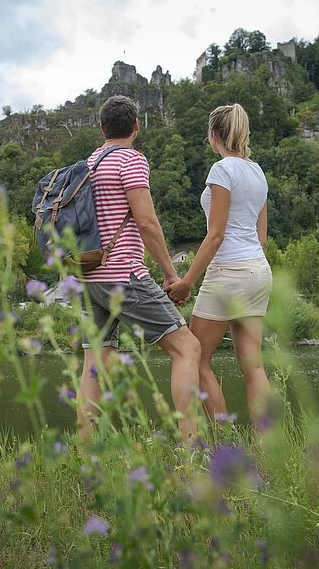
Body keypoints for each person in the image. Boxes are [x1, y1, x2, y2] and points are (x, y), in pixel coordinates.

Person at [77, 95, 202, 442]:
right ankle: (193, 449)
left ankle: (88, 460)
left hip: (87, 278)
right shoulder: (131, 160)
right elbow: (146, 223)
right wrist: (170, 273)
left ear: (102, 128)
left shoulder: (87, 165)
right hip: (122, 276)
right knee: (187, 348)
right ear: (136, 126)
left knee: (94, 366)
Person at [167, 103, 272, 428]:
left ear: (214, 136)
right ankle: (266, 449)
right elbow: (262, 237)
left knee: (195, 357)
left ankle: (224, 442)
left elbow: (215, 236)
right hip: (258, 270)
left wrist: (186, 282)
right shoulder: (256, 171)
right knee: (253, 367)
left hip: (228, 273)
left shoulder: (222, 170)